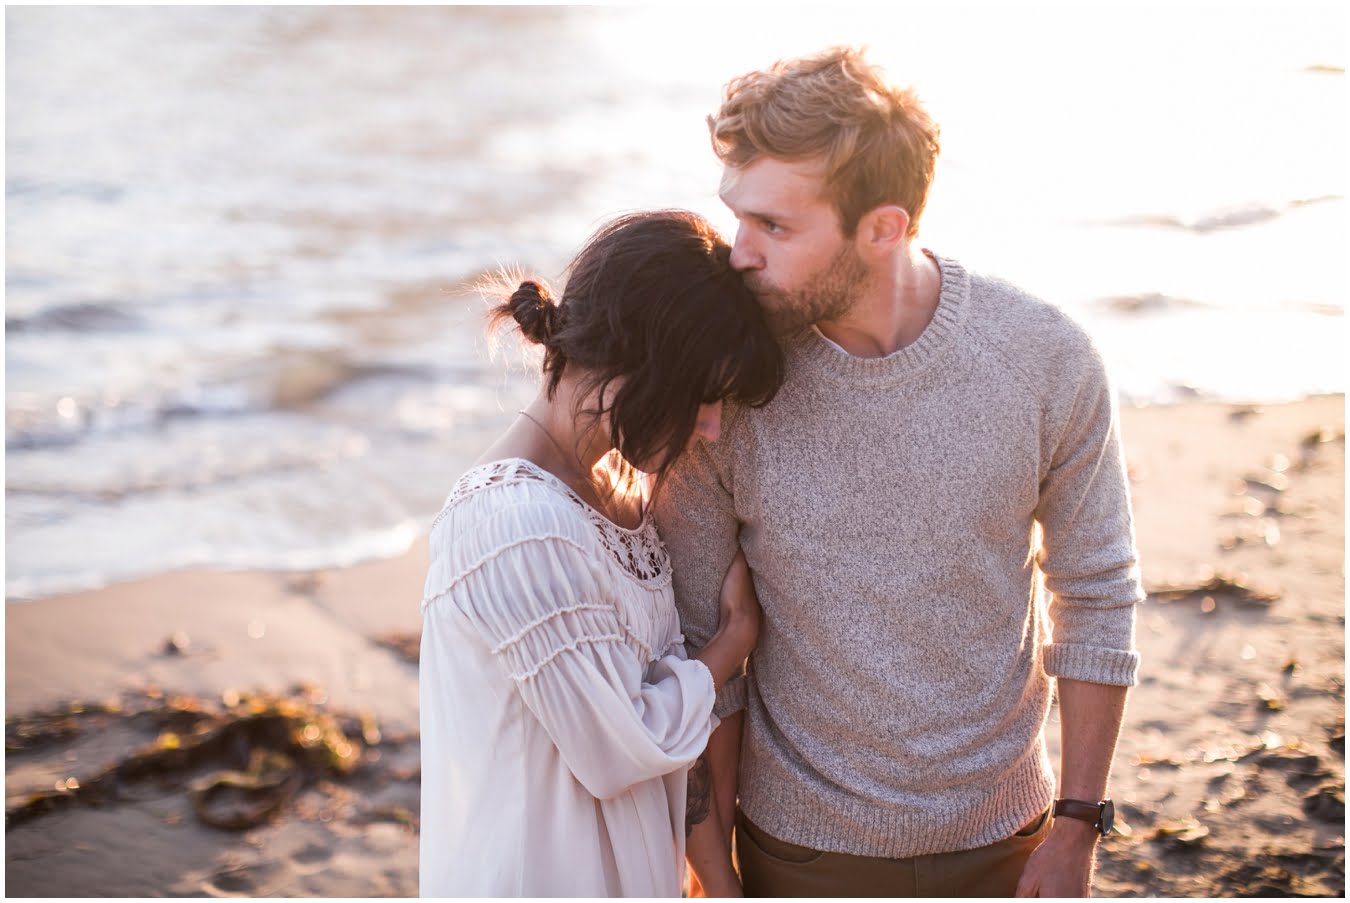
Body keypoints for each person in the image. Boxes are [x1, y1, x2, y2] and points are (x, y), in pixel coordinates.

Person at [653, 47, 1145, 898]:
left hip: (1012, 844)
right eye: (737, 216)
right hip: (799, 855)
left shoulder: (1044, 360)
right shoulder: (726, 391)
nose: (738, 253)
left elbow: (1097, 592)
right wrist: (713, 872)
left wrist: (1077, 826)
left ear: (883, 228)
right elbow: (701, 649)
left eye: (775, 226)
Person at [417, 209, 785, 897]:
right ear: (635, 360)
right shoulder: (514, 523)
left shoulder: (622, 491)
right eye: (701, 394)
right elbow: (619, 747)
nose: (711, 425)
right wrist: (732, 643)